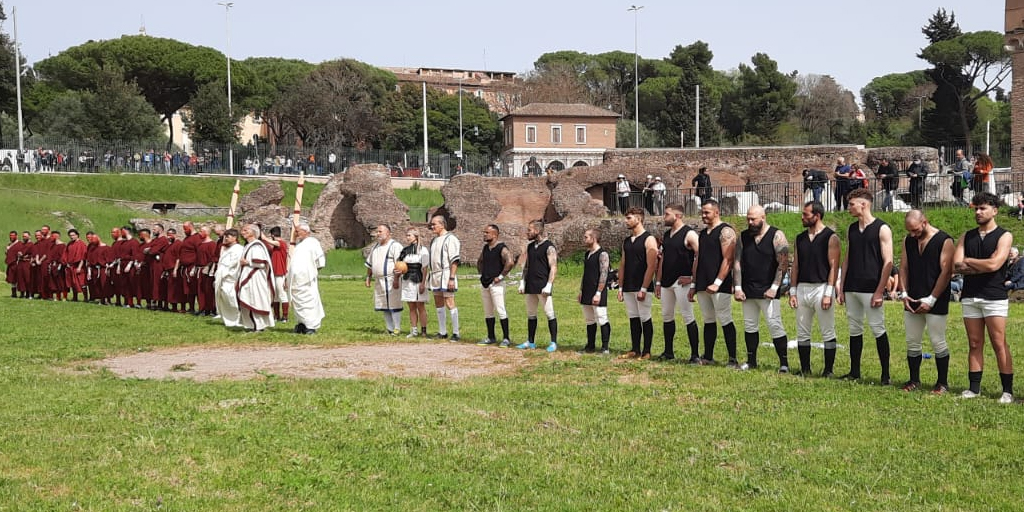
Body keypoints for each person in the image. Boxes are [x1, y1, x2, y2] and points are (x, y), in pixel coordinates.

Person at [954, 192, 1014, 402]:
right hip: (970, 295)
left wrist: (971, 262)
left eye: (983, 208)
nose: (978, 212)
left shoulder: (1004, 236)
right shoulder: (966, 236)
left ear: (994, 211)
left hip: (994, 296)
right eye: (976, 208)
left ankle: (1007, 391)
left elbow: (995, 264)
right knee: (974, 343)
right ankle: (974, 388)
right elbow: (957, 265)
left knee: (999, 343)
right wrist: (980, 264)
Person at [838, 188, 894, 385]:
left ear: (864, 204)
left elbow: (889, 261)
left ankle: (885, 374)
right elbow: (847, 258)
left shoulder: (882, 228)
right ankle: (854, 371)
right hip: (852, 285)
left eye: (851, 204)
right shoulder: (852, 229)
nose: (848, 208)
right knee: (854, 329)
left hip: (871, 287)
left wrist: (880, 290)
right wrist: (841, 285)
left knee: (878, 328)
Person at [897, 210, 955, 394]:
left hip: (936, 298)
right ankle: (914, 380)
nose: (913, 234)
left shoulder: (944, 240)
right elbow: (903, 267)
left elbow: (946, 272)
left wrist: (932, 299)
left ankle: (942, 383)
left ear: (924, 222)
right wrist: (904, 293)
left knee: (938, 340)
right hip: (913, 296)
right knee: (912, 341)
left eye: (915, 230)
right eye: (910, 231)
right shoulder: (908, 240)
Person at [733, 205, 791, 372]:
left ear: (763, 217)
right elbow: (737, 262)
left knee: (775, 324)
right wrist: (737, 287)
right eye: (748, 219)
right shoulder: (743, 237)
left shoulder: (776, 235)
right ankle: (751, 361)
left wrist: (774, 287)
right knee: (750, 325)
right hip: (748, 289)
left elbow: (783, 263)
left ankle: (784, 364)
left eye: (754, 219)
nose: (750, 222)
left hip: (768, 291)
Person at [788, 201, 841, 377]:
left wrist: (828, 292)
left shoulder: (830, 237)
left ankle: (828, 370)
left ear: (816, 216)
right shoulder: (800, 238)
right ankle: (805, 369)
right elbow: (795, 265)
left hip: (821, 287)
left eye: (806, 214)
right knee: (802, 330)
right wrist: (793, 290)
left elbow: (834, 266)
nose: (802, 217)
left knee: (827, 329)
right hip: (803, 287)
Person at [688, 198, 738, 366]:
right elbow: (698, 259)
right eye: (702, 212)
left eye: (707, 212)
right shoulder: (702, 233)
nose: (703, 215)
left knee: (725, 318)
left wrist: (718, 282)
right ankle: (708, 356)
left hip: (719, 285)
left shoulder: (726, 231)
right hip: (703, 283)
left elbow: (728, 259)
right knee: (708, 319)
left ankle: (732, 358)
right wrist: (694, 284)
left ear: (716, 212)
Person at [656, 204, 701, 364]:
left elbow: (700, 256)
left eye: (667, 214)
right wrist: (658, 281)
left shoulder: (689, 234)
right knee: (667, 315)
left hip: (682, 281)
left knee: (688, 316)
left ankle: (695, 355)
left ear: (678, 216)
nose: (664, 217)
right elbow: (663, 260)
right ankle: (668, 351)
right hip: (667, 281)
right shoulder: (667, 235)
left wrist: (692, 279)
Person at [616, 207, 659, 359]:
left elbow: (652, 266)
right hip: (628, 284)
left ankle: (647, 351)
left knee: (645, 317)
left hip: (642, 286)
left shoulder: (649, 239)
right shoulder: (627, 241)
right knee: (633, 317)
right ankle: (635, 349)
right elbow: (623, 264)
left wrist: (644, 287)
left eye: (629, 218)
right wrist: (620, 287)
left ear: (639, 219)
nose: (626, 221)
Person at [517, 220, 559, 352]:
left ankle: (553, 342)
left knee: (549, 313)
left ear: (538, 231)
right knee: (531, 314)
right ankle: (530, 341)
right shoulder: (530, 247)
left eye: (530, 230)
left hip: (542, 286)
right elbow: (526, 266)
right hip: (530, 285)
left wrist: (549, 285)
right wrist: (522, 281)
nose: (527, 232)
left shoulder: (549, 247)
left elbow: (553, 267)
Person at [477, 224, 514, 347]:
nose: (484, 234)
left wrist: (501, 276)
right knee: (488, 311)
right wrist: (482, 274)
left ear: (494, 234)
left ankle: (506, 338)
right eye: (484, 232)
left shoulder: (501, 248)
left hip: (496, 284)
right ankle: (491, 336)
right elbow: (480, 261)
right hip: (486, 283)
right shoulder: (486, 248)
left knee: (500, 309)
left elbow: (510, 262)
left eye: (487, 232)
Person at [365, 224, 404, 335]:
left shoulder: (395, 246)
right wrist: (368, 277)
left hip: (391, 279)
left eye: (380, 231)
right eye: (377, 232)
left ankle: (397, 328)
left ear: (388, 233)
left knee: (394, 304)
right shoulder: (375, 247)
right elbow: (370, 264)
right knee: (383, 305)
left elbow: (400, 264)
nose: (378, 234)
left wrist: (396, 279)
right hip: (379, 280)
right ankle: (389, 328)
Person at [236, 224, 276, 332]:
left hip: (255, 278)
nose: (242, 232)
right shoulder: (249, 245)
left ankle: (259, 326)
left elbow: (262, 264)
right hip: (248, 276)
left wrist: (247, 262)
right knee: (247, 299)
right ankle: (250, 325)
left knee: (255, 300)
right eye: (243, 230)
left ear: (253, 232)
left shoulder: (257, 246)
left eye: (245, 230)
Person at [428, 215, 462, 341]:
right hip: (435, 274)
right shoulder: (434, 240)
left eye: (434, 224)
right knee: (438, 303)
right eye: (432, 224)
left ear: (442, 225)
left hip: (446, 274)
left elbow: (454, 260)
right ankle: (442, 331)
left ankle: (456, 332)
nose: (432, 227)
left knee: (449, 302)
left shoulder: (451, 239)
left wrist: (452, 278)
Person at [579, 229, 612, 354]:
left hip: (598, 291)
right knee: (589, 319)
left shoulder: (602, 254)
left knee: (601, 317)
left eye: (586, 237)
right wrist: (581, 290)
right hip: (587, 290)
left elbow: (604, 274)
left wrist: (598, 292)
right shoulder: (587, 254)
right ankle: (590, 346)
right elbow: (585, 273)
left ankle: (605, 348)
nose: (584, 239)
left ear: (594, 238)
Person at [289, 223, 326, 335]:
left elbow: (320, 261)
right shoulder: (299, 245)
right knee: (297, 301)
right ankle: (301, 323)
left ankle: (310, 326)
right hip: (296, 279)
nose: (296, 233)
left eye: (299, 231)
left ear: (306, 231)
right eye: (296, 231)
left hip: (307, 278)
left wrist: (313, 273)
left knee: (308, 301)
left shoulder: (312, 242)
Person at [399, 228, 429, 338]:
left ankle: (424, 330)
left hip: (418, 279)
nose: (407, 237)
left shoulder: (423, 250)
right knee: (411, 306)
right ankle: (414, 330)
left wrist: (423, 283)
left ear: (416, 236)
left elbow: (425, 268)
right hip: (407, 280)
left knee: (420, 306)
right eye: (406, 235)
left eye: (409, 235)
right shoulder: (405, 251)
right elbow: (400, 264)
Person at [215, 228, 243, 328]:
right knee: (223, 299)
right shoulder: (226, 249)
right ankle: (228, 319)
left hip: (230, 277)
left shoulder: (238, 248)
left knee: (231, 298)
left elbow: (234, 263)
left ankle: (237, 319)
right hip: (222, 277)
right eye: (225, 236)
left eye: (228, 236)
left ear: (235, 238)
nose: (226, 238)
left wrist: (226, 273)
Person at [262, 226, 290, 322]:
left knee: (282, 294)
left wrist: (264, 236)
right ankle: (276, 316)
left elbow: (270, 241)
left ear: (273, 235)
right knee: (275, 295)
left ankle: (285, 316)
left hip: (280, 272)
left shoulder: (281, 243)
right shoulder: (276, 246)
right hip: (275, 272)